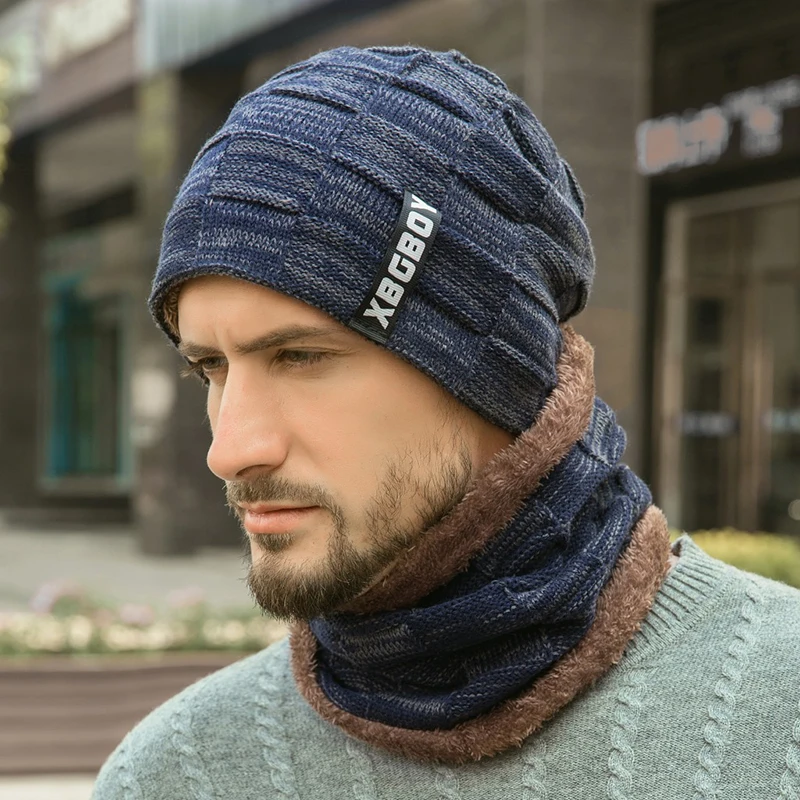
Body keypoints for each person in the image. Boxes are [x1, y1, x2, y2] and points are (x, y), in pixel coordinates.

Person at [92, 46, 800, 799]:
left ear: (490, 377)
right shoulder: (175, 774)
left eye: (300, 356)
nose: (230, 450)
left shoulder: (779, 708)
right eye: (209, 367)